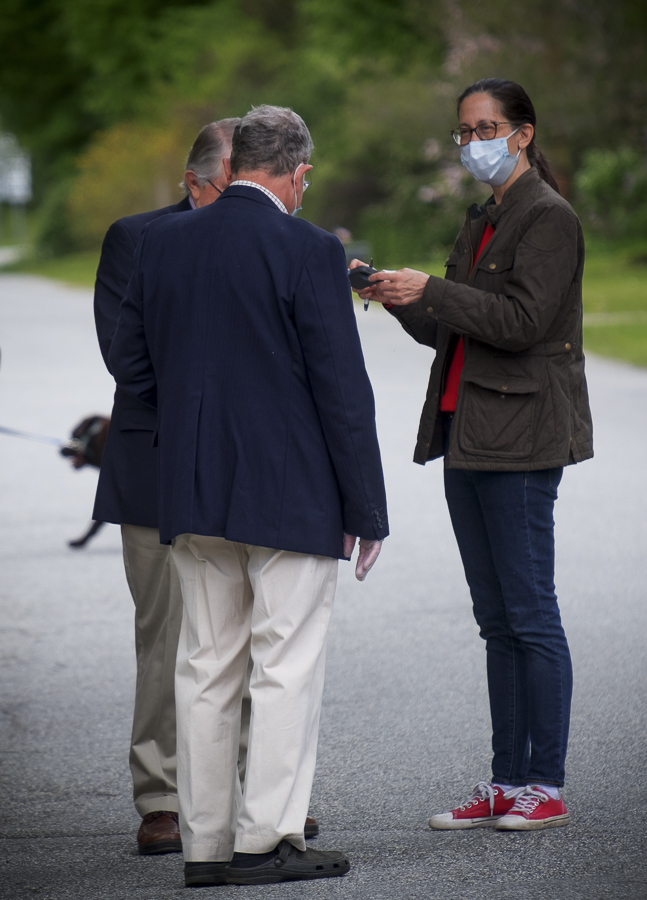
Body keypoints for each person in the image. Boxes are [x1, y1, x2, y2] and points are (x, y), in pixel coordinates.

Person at [109, 104, 388, 886]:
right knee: (284, 663)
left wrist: (196, 420)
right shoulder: (309, 249)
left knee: (204, 664)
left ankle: (203, 846)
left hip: (190, 486)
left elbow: (131, 365)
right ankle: (265, 839)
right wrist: (366, 510)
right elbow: (340, 389)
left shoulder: (162, 243)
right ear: (298, 174)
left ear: (231, 168)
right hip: (291, 488)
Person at [353, 78, 593, 831]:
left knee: (529, 613)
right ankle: (505, 781)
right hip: (467, 432)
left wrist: (434, 289)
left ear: (522, 133)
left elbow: (521, 322)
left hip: (521, 436)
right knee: (495, 620)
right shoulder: (482, 217)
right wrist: (401, 299)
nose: (473, 143)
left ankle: (544, 785)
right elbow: (450, 329)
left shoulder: (548, 217)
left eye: (486, 128)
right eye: (464, 132)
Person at [93, 119, 241, 855]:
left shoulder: (270, 237)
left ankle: (251, 794)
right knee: (168, 637)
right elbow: (128, 357)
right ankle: (161, 796)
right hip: (157, 464)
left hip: (245, 468)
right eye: (232, 182)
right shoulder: (136, 237)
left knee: (249, 633)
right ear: (194, 181)